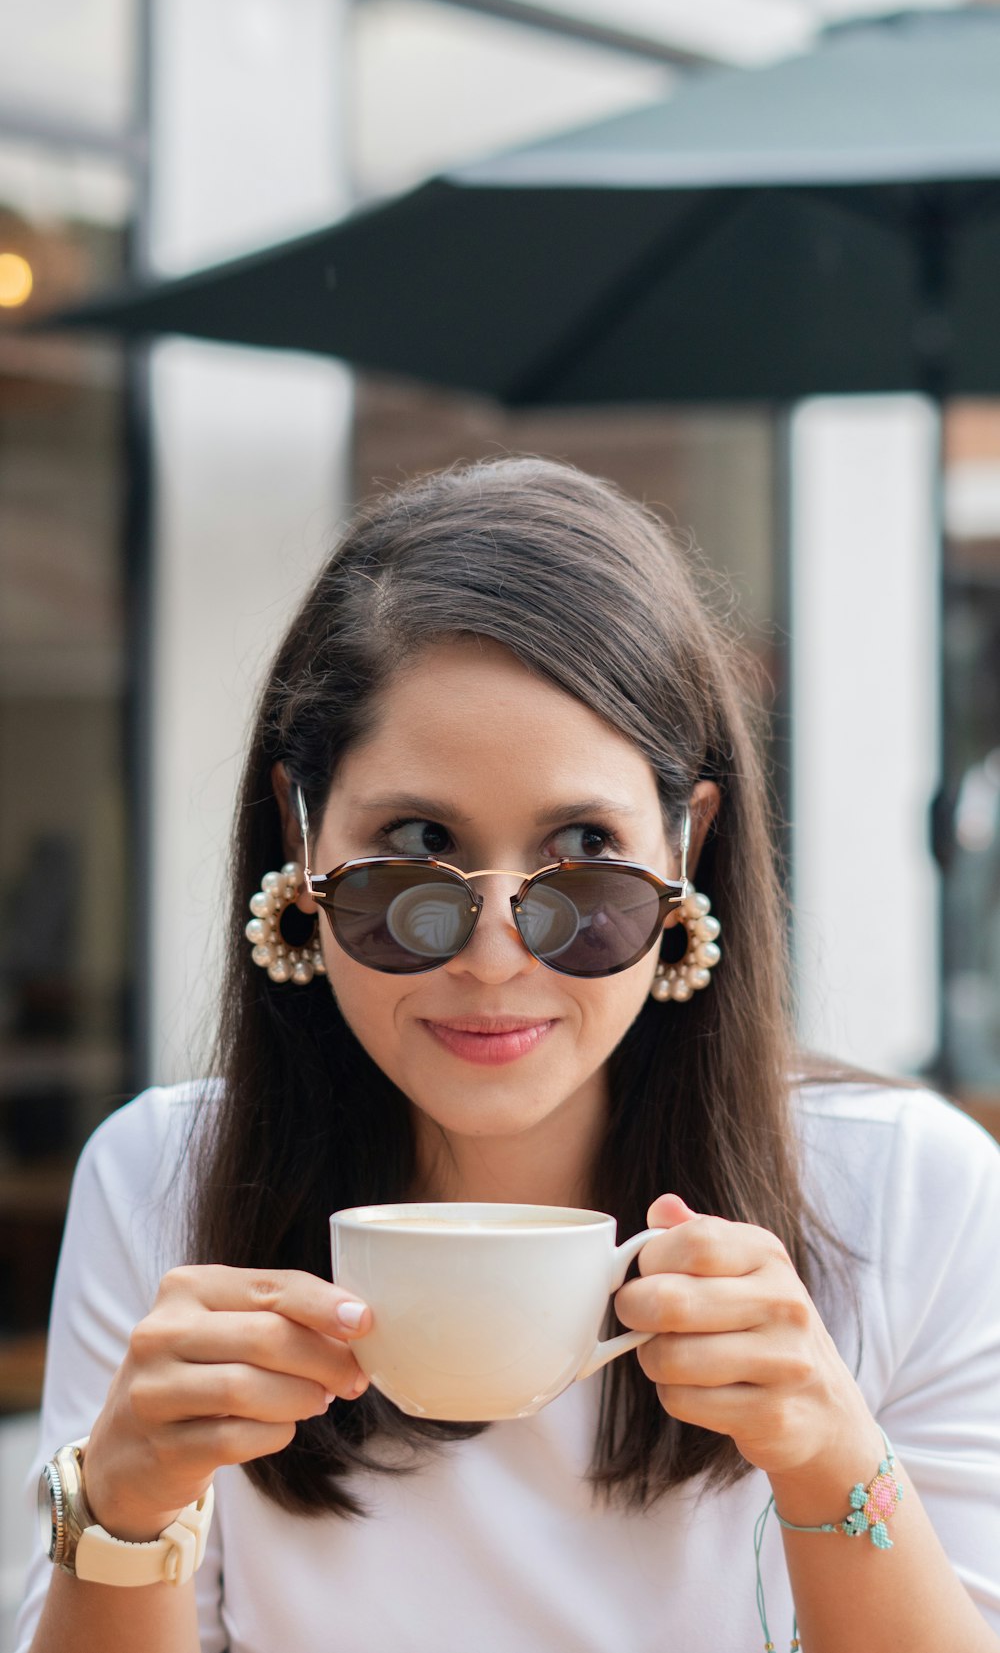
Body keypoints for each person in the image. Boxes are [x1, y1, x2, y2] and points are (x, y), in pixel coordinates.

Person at [15, 457, 1000, 1653]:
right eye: (416, 847)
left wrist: (834, 1462)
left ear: (685, 847)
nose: (490, 956)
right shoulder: (165, 1177)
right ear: (300, 833)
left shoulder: (907, 1197)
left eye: (582, 851)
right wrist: (122, 1507)